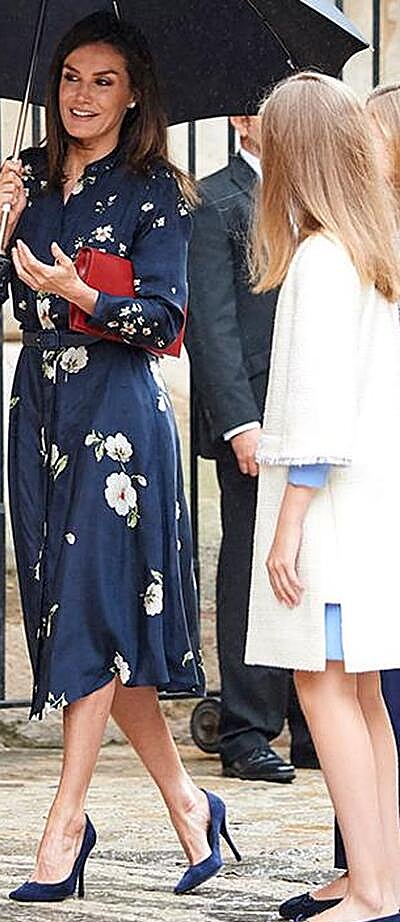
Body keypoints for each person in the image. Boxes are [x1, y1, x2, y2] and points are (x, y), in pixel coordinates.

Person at [0, 12, 239, 902]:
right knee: (95, 629)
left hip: (119, 416)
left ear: (134, 94)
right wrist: (0, 226)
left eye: (103, 80)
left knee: (88, 614)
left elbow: (163, 321)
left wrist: (81, 290)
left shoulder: (161, 191)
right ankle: (191, 807)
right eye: (71, 77)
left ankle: (64, 826)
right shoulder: (31, 183)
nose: (81, 94)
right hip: (39, 408)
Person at [246, 71, 400, 922]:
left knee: (323, 686)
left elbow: (313, 404)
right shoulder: (372, 250)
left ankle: (374, 893)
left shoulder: (320, 257)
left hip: (332, 512)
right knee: (363, 693)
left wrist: (290, 525)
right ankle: (383, 880)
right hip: (370, 507)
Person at [186, 115, 316, 783]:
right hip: (256, 419)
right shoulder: (213, 201)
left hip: (317, 417)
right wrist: (239, 423)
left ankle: (311, 726)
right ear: (242, 118)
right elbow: (209, 323)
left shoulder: (320, 196)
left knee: (312, 566)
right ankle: (245, 729)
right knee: (250, 568)